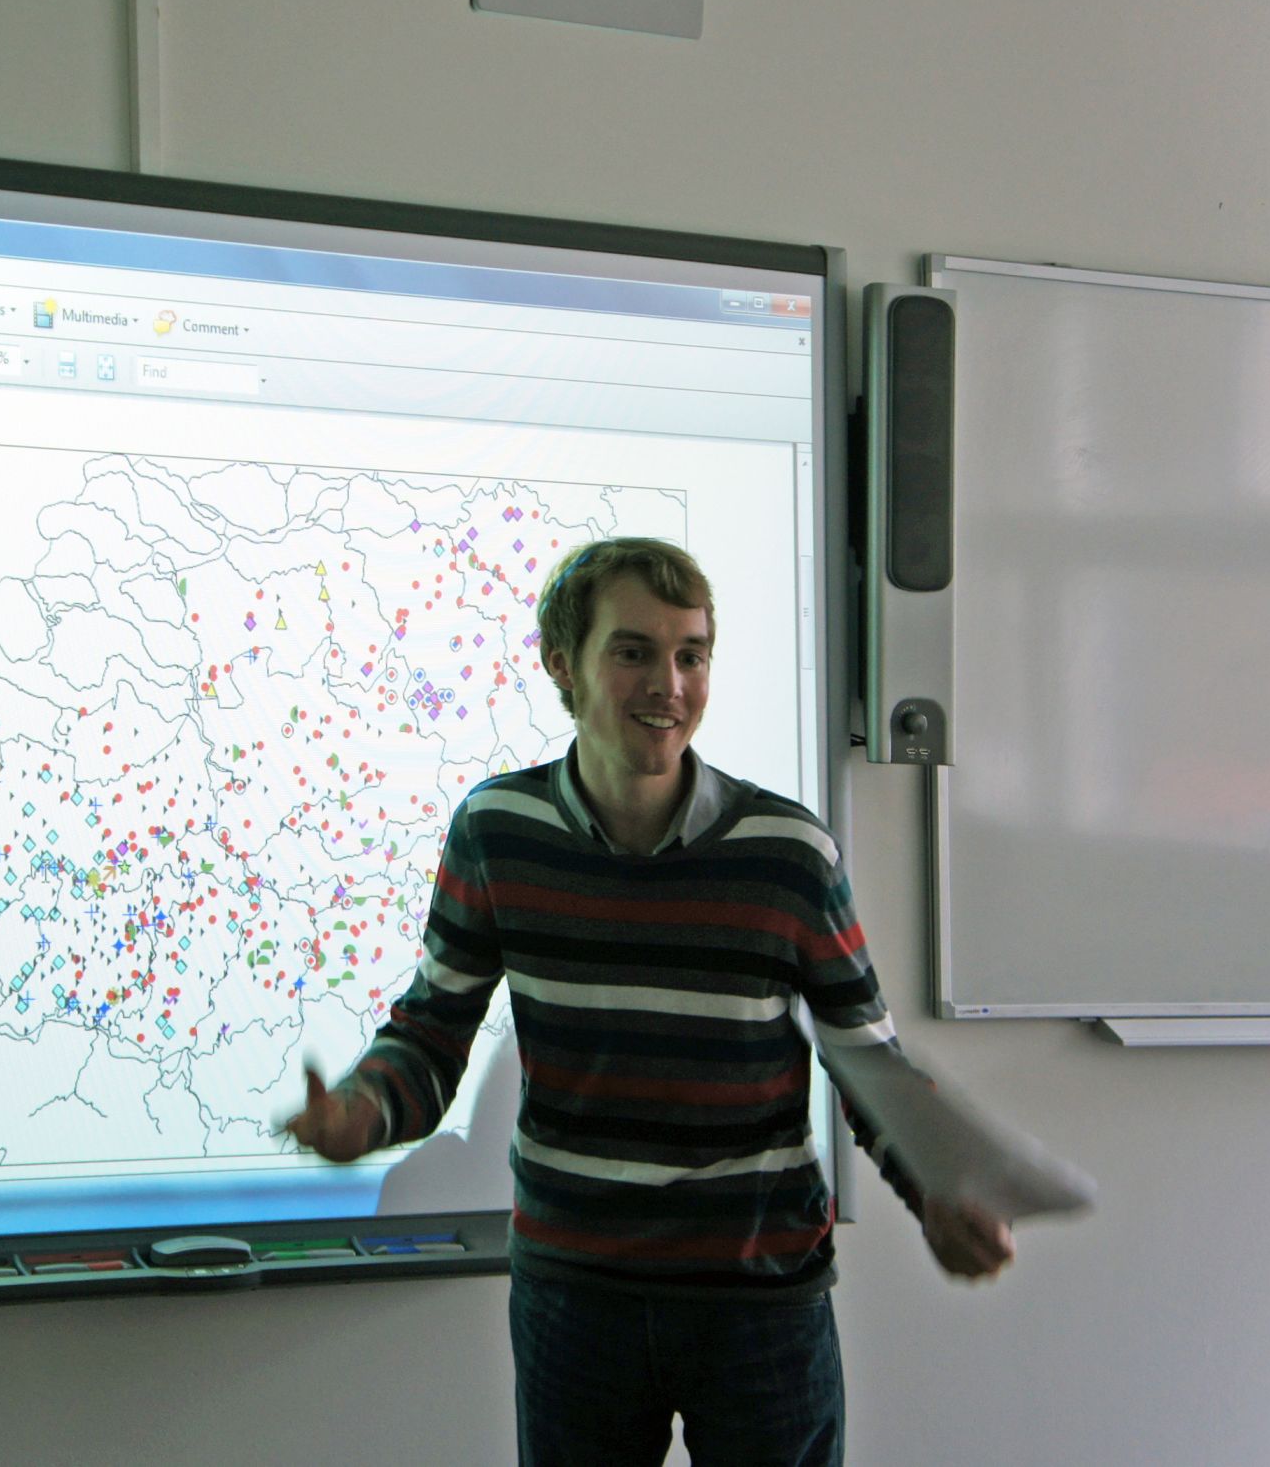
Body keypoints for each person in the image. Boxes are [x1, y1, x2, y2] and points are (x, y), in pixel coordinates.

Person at [283, 537, 1013, 1467]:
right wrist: (361, 1112)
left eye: (690, 654)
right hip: (574, 1300)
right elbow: (431, 1032)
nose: (666, 683)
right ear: (561, 662)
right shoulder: (497, 831)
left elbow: (867, 1062)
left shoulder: (785, 851)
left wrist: (935, 1186)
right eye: (632, 651)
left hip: (759, 1304)